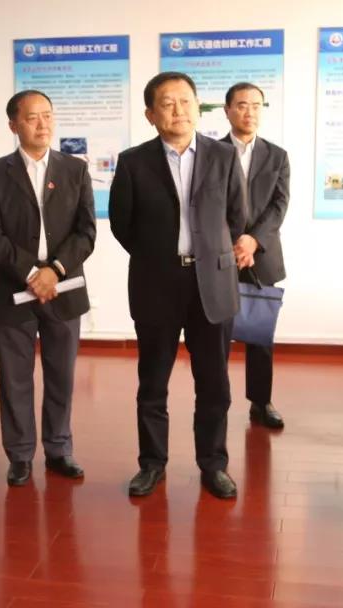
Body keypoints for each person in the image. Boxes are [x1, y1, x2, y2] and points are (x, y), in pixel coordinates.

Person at [109, 72, 248, 500]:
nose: (179, 110)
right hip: (156, 284)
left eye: (186, 101)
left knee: (214, 383)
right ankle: (152, 464)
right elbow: (122, 224)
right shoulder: (133, 162)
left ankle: (214, 464)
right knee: (153, 382)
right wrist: (159, 257)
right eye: (167, 103)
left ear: (197, 106)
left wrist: (206, 255)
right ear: (150, 114)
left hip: (212, 283)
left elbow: (237, 217)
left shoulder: (224, 156)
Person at [0, 90, 96, 486]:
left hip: (64, 288)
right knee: (14, 378)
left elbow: (86, 232)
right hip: (13, 291)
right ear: (14, 125)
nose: (42, 124)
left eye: (47, 115)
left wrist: (54, 271)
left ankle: (59, 449)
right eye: (32, 117)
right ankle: (20, 454)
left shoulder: (75, 170)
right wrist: (31, 273)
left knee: (61, 375)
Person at [221, 82, 291, 429]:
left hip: (262, 255)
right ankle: (216, 400)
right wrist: (234, 242)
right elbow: (204, 205)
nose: (249, 112)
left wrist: (252, 241)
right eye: (241, 105)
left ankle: (261, 403)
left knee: (260, 335)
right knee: (216, 334)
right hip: (221, 255)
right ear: (227, 110)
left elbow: (279, 205)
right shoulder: (211, 152)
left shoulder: (277, 155)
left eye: (256, 105)